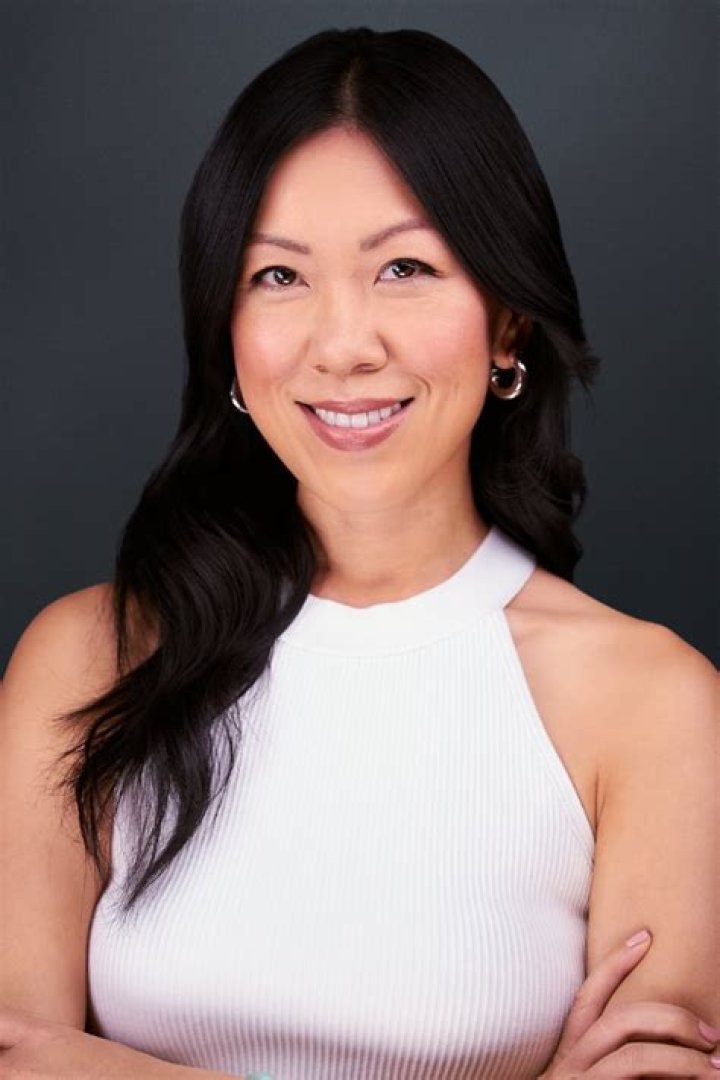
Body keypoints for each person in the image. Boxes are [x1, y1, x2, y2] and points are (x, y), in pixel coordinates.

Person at [0, 25, 717, 1080]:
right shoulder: (88, 660)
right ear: (225, 329)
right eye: (278, 276)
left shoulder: (652, 703)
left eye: (406, 267)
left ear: (508, 323)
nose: (342, 346)